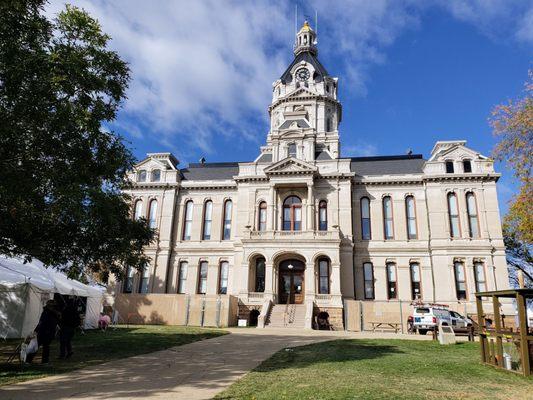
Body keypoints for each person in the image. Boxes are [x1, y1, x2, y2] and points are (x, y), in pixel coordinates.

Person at [26, 300, 60, 364]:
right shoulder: (52, 313)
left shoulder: (48, 313)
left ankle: (29, 360)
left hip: (45, 332)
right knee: (43, 347)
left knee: (39, 346)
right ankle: (42, 361)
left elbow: (41, 323)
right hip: (47, 332)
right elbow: (42, 323)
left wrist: (36, 330)